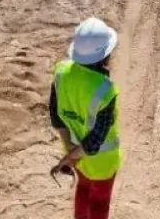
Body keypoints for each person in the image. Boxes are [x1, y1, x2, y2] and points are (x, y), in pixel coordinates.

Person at [49, 17, 123, 219]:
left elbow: (56, 116)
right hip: (101, 161)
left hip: (73, 149)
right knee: (99, 202)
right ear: (104, 56)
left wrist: (70, 151)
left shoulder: (61, 72)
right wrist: (73, 154)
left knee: (83, 188)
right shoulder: (105, 90)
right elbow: (95, 141)